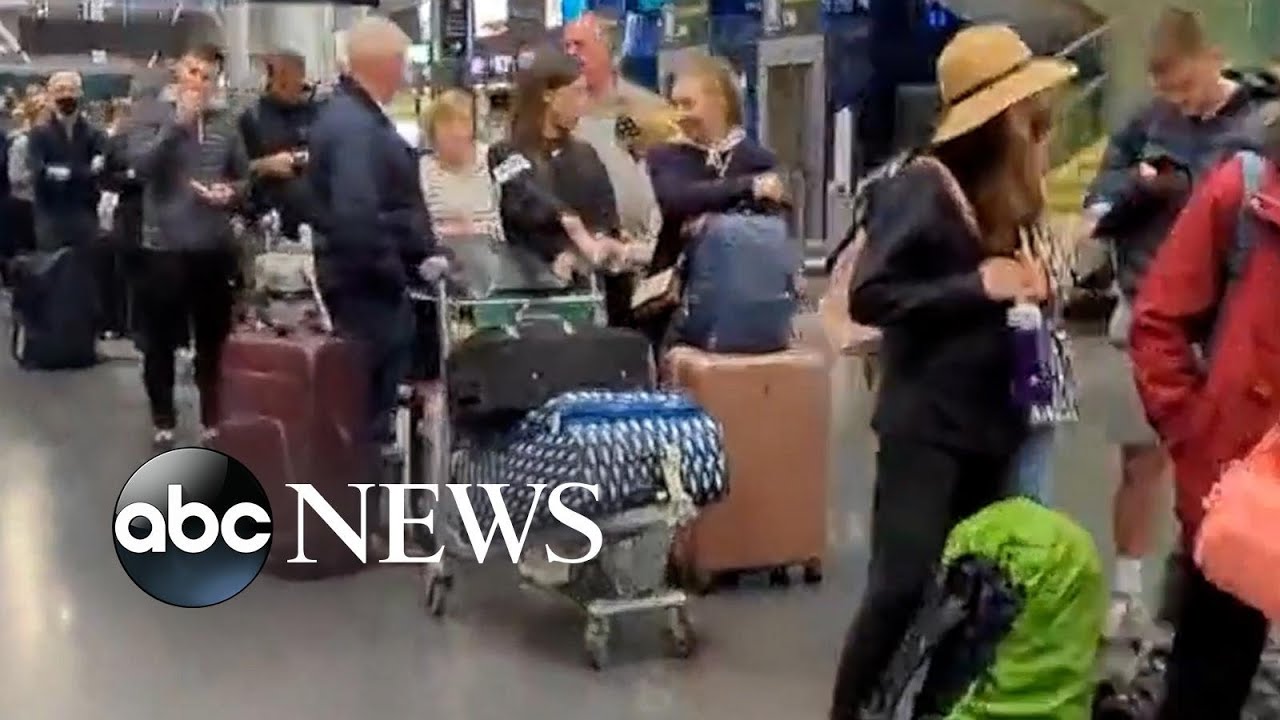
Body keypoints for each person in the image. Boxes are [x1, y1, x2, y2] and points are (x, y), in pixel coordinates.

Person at [828, 25, 1075, 718]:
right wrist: (978, 286)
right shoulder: (923, 186)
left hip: (996, 420)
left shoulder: (1009, 190)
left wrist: (1034, 286)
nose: (1041, 117)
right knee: (901, 586)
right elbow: (872, 295)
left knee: (980, 590)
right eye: (1028, 105)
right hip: (928, 426)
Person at [1081, 6, 1280, 635]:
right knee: (1144, 456)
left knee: (1235, 479)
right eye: (1168, 91)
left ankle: (1209, 588)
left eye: (1187, 87)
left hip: (1231, 322)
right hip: (1152, 301)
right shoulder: (1149, 123)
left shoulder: (1253, 129)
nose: (1182, 104)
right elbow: (1098, 202)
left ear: (1214, 60)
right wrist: (1141, 189)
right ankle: (1131, 587)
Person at [1128, 108, 1280, 720]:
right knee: (1209, 679)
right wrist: (1194, 436)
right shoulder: (1246, 190)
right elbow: (1158, 320)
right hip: (1239, 490)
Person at [308, 17, 434, 449]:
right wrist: (397, 275)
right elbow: (357, 216)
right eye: (403, 62)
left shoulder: (352, 117)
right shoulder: (356, 128)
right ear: (387, 63)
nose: (406, 73)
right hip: (368, 296)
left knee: (363, 411)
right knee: (367, 416)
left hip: (361, 287)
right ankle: (365, 487)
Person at [128, 43, 249, 447]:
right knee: (159, 341)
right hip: (162, 248)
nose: (197, 82)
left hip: (211, 247)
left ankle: (213, 414)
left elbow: (243, 176)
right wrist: (177, 125)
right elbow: (141, 167)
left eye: (206, 76)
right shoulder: (151, 113)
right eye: (192, 71)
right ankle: (163, 416)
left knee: (212, 339)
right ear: (179, 71)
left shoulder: (227, 122)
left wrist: (231, 192)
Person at [645, 54, 782, 346]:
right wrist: (748, 188)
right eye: (674, 105)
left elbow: (772, 226)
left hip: (748, 302)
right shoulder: (666, 157)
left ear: (720, 101)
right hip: (675, 306)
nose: (679, 115)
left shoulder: (759, 160)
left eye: (688, 104)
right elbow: (677, 199)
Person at [488, 49, 622, 288]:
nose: (582, 105)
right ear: (548, 95)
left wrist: (599, 242)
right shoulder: (503, 154)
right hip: (530, 283)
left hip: (588, 281)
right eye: (577, 92)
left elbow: (606, 213)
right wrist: (568, 232)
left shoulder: (586, 154)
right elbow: (523, 203)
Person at [563, 13, 666, 325]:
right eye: (566, 46)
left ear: (608, 50)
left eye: (579, 45)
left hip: (638, 258)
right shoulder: (562, 110)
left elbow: (662, 173)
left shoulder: (644, 108)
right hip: (578, 256)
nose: (571, 53)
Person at [238, 48, 320, 243]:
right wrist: (265, 165)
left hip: (314, 221)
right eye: (281, 78)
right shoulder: (252, 117)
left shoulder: (317, 113)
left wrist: (305, 159)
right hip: (270, 221)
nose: (287, 85)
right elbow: (235, 171)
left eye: (292, 78)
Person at [26, 71, 107, 252]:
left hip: (85, 215)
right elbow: (38, 170)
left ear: (80, 93)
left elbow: (99, 170)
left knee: (87, 265)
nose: (66, 95)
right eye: (60, 90)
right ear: (51, 95)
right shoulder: (38, 134)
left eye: (71, 89)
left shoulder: (95, 134)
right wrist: (82, 172)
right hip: (50, 216)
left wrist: (61, 172)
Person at [419, 89, 502, 243]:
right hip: (441, 252)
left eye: (464, 122)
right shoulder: (422, 171)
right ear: (433, 130)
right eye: (446, 123)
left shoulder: (494, 160)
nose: (456, 131)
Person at [98, 98, 143, 339]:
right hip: (127, 212)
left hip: (152, 214)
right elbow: (105, 178)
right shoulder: (114, 144)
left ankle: (141, 325)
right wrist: (131, 177)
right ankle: (120, 323)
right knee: (123, 269)